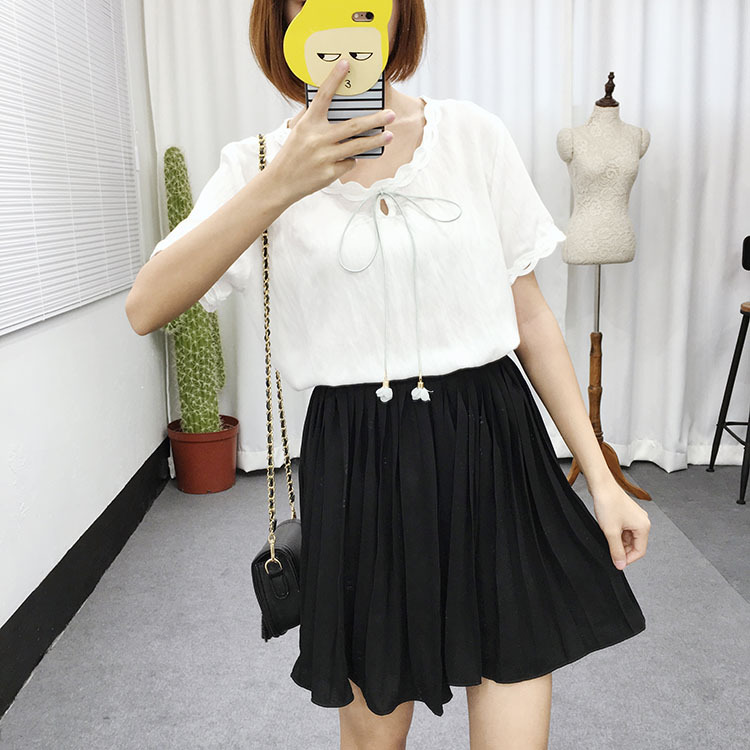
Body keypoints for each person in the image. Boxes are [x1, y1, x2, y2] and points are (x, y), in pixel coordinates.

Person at [126, 1, 651, 747]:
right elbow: (147, 304)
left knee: (514, 692)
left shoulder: (470, 135)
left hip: (491, 442)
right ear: (285, 20)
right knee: (373, 728)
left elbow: (530, 316)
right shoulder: (259, 163)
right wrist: (282, 183)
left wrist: (599, 477)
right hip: (360, 463)